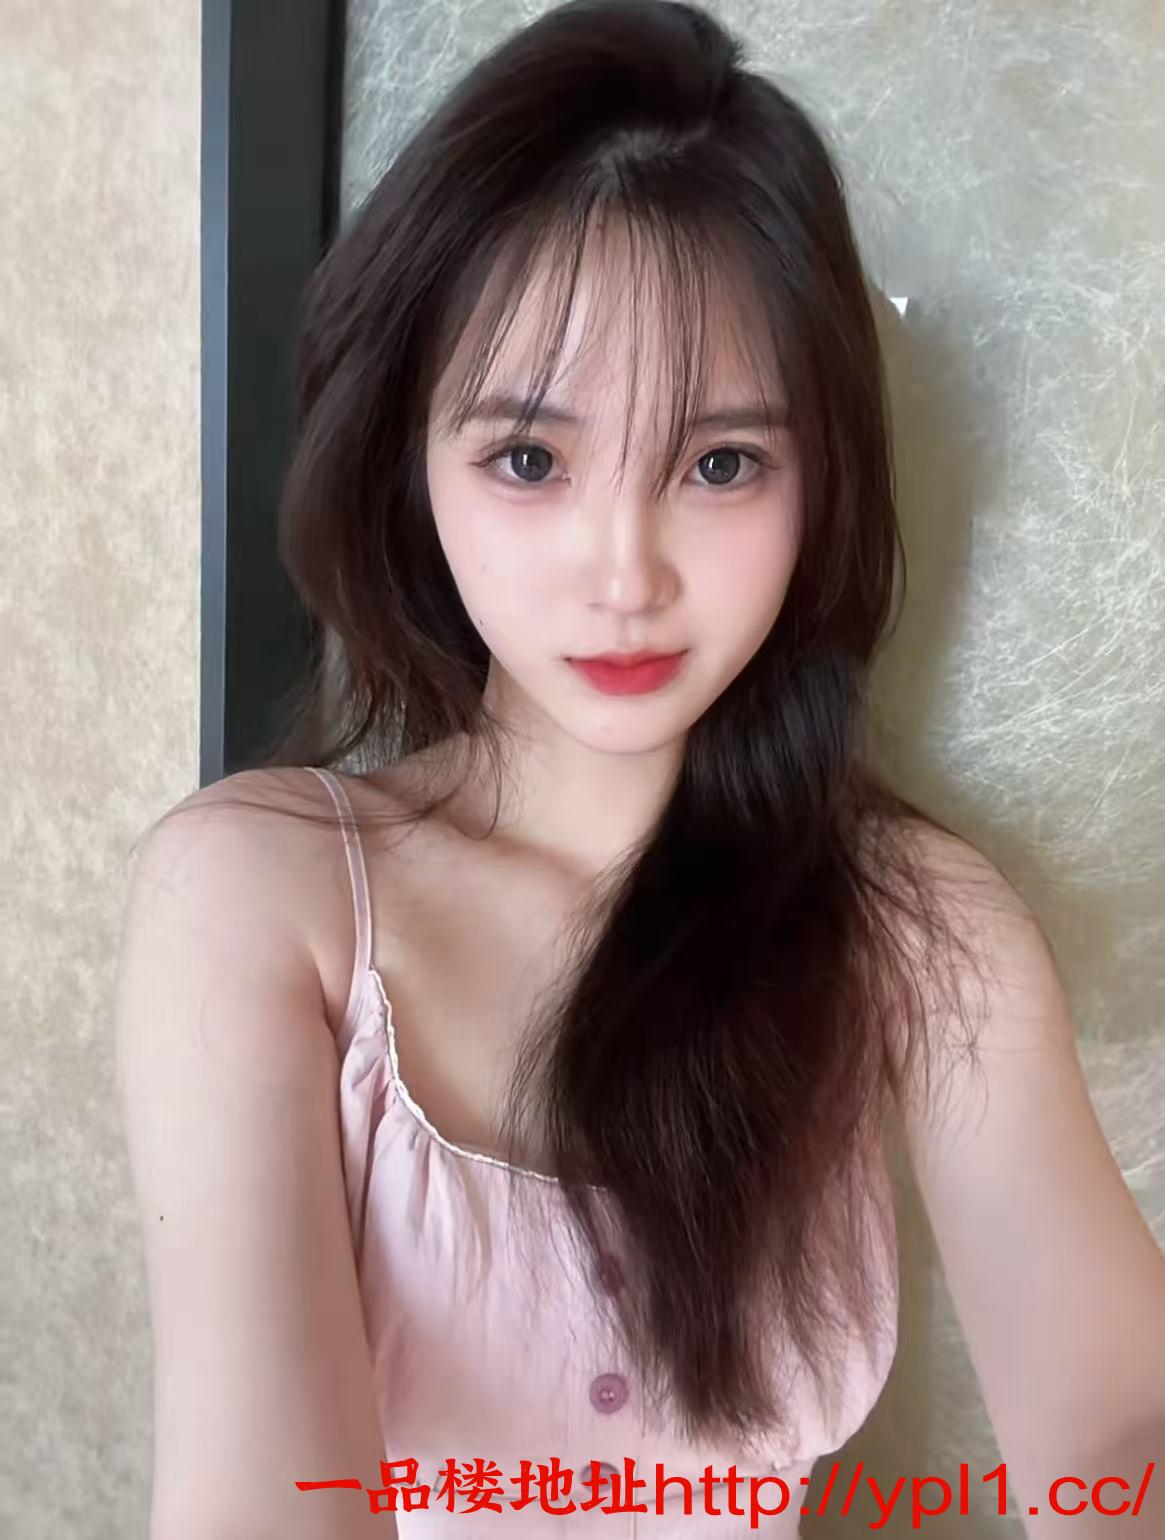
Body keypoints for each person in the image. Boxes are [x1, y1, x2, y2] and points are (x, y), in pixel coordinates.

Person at [114, 3, 1165, 1536]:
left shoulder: (914, 927)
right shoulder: (261, 895)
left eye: (719, 462)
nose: (625, 572)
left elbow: (1118, 1426)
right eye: (528, 459)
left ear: (819, 486)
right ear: (411, 466)